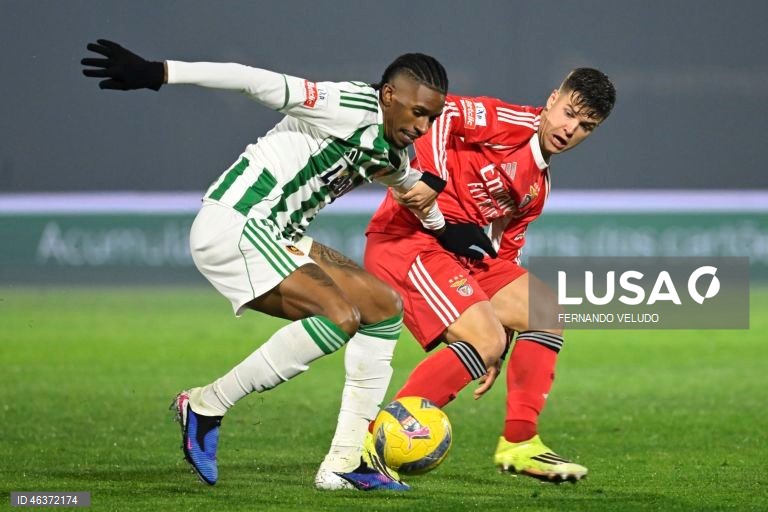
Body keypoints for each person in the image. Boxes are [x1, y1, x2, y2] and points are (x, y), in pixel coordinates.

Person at [81, 39, 494, 491]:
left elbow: (406, 185)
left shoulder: (393, 150)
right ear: (389, 95)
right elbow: (252, 81)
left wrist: (443, 230)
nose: (423, 125)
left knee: (384, 308)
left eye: (432, 117)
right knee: (338, 316)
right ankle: (206, 405)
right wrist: (160, 72)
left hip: (280, 235)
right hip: (236, 220)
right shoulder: (345, 104)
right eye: (418, 112)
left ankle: (346, 460)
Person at [364, 68, 616, 483]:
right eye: (569, 113)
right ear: (553, 99)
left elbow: (502, 256)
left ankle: (520, 444)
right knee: (483, 340)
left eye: (586, 127)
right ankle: (375, 443)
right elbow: (440, 116)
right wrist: (433, 184)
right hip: (409, 241)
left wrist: (505, 336)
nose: (570, 130)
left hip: (456, 254)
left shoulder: (538, 185)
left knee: (543, 311)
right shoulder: (506, 122)